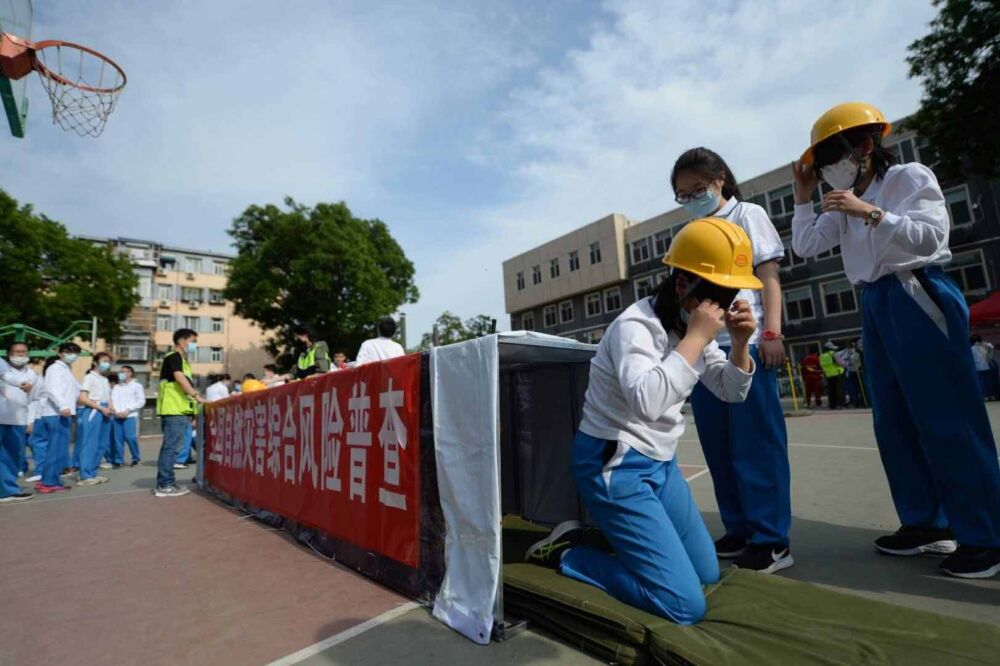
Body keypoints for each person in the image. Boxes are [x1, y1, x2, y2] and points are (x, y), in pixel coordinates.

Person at [792, 101, 1000, 578]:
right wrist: (803, 196)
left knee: (947, 416)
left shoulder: (907, 177)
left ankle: (985, 535)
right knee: (893, 421)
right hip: (875, 301)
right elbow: (805, 246)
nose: (827, 170)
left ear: (866, 146)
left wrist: (870, 213)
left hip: (917, 291)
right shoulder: (841, 200)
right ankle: (925, 522)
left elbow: (932, 236)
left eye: (832, 157)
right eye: (820, 164)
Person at [525, 218, 759, 624]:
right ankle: (567, 552)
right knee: (684, 605)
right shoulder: (637, 327)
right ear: (684, 284)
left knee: (706, 573)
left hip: (661, 465)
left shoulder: (692, 327)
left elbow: (730, 390)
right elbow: (647, 401)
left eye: (732, 293)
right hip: (613, 464)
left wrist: (737, 345)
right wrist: (698, 338)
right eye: (718, 294)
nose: (722, 306)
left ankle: (624, 539)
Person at [670, 148, 792, 572]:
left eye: (697, 189)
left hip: (747, 342)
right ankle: (739, 528)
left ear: (720, 178)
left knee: (756, 444)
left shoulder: (748, 215)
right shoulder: (694, 228)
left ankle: (771, 538)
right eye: (682, 195)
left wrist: (771, 332)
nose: (691, 199)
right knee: (719, 447)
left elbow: (769, 277)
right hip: (705, 347)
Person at [155, 328, 205, 497]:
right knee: (171, 448)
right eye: (193, 340)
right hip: (173, 410)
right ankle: (164, 485)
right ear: (182, 341)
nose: (195, 345)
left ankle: (167, 481)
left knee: (174, 447)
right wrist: (197, 396)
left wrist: (191, 409)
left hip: (180, 409)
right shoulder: (174, 357)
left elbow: (182, 387)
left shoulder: (182, 360)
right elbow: (180, 379)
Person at [35, 343, 82, 494]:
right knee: (55, 450)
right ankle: (47, 482)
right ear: (60, 353)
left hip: (63, 412)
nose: (72, 355)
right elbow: (52, 389)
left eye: (75, 352)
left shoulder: (65, 370)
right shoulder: (55, 368)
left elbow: (74, 390)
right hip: (57, 412)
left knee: (60, 450)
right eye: (68, 351)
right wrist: (63, 406)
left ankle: (51, 479)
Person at [0, 344, 40, 502]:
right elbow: (8, 376)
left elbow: (32, 399)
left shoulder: (31, 374)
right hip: (1, 416)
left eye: (23, 352)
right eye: (16, 352)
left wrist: (30, 420)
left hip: (17, 419)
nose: (19, 355)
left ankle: (8, 489)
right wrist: (21, 383)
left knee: (12, 456)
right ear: (9, 354)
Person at [76, 352, 113, 486]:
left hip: (105, 411)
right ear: (95, 362)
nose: (106, 364)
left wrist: (110, 407)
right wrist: (100, 408)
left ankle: (93, 472)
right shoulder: (89, 377)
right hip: (93, 410)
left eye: (108, 361)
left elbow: (108, 397)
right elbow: (83, 398)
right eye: (104, 361)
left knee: (102, 444)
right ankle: (85, 475)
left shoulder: (104, 379)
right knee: (90, 443)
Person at [111, 365, 144, 467]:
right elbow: (112, 400)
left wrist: (128, 410)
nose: (122, 374)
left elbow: (141, 401)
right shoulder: (116, 387)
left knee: (130, 438)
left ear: (131, 373)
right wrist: (116, 412)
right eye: (121, 372)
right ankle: (118, 460)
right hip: (117, 416)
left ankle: (136, 457)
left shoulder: (137, 386)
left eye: (125, 371)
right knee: (118, 439)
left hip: (130, 416)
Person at [24, 358, 48, 483]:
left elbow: (33, 401)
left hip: (36, 415)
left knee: (37, 443)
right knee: (29, 442)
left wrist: (30, 421)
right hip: (28, 414)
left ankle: (40, 471)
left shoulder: (32, 378)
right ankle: (24, 468)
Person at [837, 340, 867, 408]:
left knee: (856, 388)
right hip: (854, 371)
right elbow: (850, 360)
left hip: (854, 371)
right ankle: (859, 401)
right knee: (856, 388)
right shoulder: (851, 352)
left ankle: (860, 401)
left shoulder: (851, 352)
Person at [819, 342, 845, 409]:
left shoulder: (821, 356)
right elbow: (840, 363)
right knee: (839, 390)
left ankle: (832, 405)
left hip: (828, 375)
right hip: (837, 373)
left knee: (831, 391)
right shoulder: (833, 354)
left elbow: (821, 366)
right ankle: (840, 405)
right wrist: (845, 364)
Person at [971, 336, 996, 400]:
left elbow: (972, 359)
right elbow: (991, 350)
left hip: (979, 368)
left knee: (982, 383)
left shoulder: (972, 348)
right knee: (988, 382)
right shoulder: (984, 347)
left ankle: (985, 396)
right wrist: (986, 345)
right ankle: (991, 395)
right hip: (986, 367)